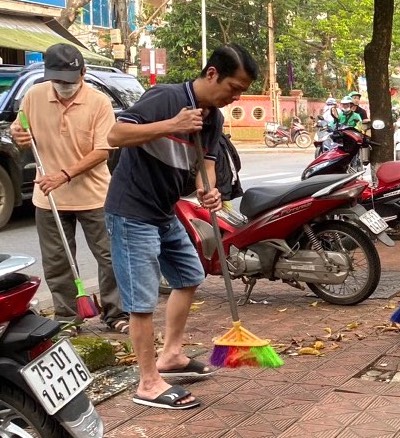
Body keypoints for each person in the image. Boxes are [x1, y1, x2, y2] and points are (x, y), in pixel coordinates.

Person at [104, 43, 258, 410]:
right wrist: (171, 125)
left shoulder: (214, 118)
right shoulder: (164, 98)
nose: (235, 96)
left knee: (189, 274)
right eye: (233, 87)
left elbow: (205, 162)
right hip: (131, 210)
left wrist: (210, 190)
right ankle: (148, 383)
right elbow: (115, 135)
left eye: (242, 92)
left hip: (164, 209)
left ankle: (171, 356)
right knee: (141, 303)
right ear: (211, 74)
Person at [10, 43, 129, 336]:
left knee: (110, 258)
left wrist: (63, 175)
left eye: (69, 80)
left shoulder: (99, 102)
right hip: (48, 197)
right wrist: (18, 134)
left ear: (83, 73)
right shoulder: (34, 96)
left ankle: (116, 313)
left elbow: (103, 150)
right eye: (57, 80)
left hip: (95, 196)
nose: (63, 86)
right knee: (58, 262)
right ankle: (67, 317)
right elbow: (20, 129)